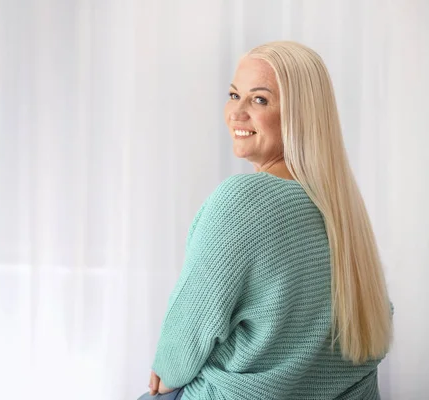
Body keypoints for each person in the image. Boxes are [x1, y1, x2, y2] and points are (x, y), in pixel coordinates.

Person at [138, 41, 393, 400]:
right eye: (233, 94)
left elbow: (185, 337)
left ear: (298, 113)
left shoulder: (242, 201)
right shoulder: (344, 211)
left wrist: (164, 378)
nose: (236, 112)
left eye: (259, 100)